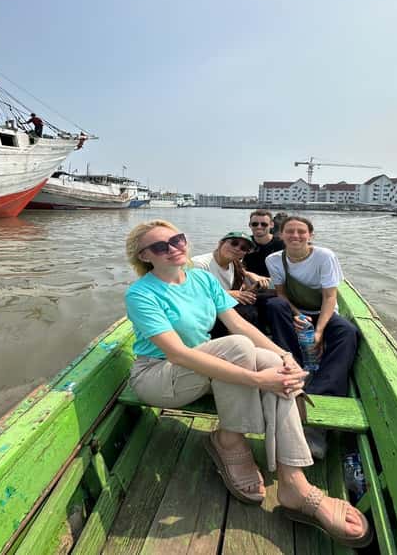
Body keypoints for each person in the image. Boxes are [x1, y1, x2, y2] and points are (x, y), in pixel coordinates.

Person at [124, 220, 371, 548]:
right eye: (160, 247)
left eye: (177, 239)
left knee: (275, 366)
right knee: (239, 350)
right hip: (159, 376)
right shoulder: (141, 294)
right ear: (145, 256)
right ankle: (229, 440)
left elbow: (239, 324)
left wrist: (285, 356)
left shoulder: (201, 279)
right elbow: (178, 354)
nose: (173, 248)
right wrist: (256, 380)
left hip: (200, 370)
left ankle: (294, 482)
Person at [265, 216, 360, 459]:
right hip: (297, 311)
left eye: (301, 232)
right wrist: (298, 316)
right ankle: (294, 366)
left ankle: (323, 394)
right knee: (274, 306)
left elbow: (330, 297)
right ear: (281, 235)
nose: (295, 236)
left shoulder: (325, 257)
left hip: (323, 312)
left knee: (347, 332)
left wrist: (318, 331)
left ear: (310, 235)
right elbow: (281, 294)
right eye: (290, 231)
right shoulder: (274, 259)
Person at [192, 231, 269, 337]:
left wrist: (252, 279)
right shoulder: (199, 264)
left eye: (243, 248)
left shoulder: (235, 265)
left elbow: (241, 284)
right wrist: (228, 293)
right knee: (247, 311)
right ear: (220, 243)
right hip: (206, 314)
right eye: (234, 243)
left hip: (222, 307)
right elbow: (193, 295)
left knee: (268, 301)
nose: (237, 248)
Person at [242, 209, 285, 279]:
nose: (259, 227)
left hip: (274, 283)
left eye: (264, 224)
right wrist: (248, 275)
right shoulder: (244, 243)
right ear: (250, 225)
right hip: (249, 281)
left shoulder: (282, 245)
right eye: (255, 224)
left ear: (271, 225)